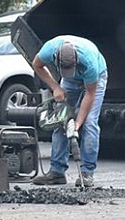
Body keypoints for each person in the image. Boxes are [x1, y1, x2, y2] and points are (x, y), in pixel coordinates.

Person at [31, 36, 107, 188]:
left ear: (76, 61)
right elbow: (37, 65)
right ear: (56, 59)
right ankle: (57, 172)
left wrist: (78, 123)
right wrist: (56, 87)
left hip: (97, 78)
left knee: (90, 122)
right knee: (61, 120)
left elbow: (90, 94)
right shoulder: (49, 49)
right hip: (71, 82)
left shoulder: (89, 63)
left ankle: (87, 173)